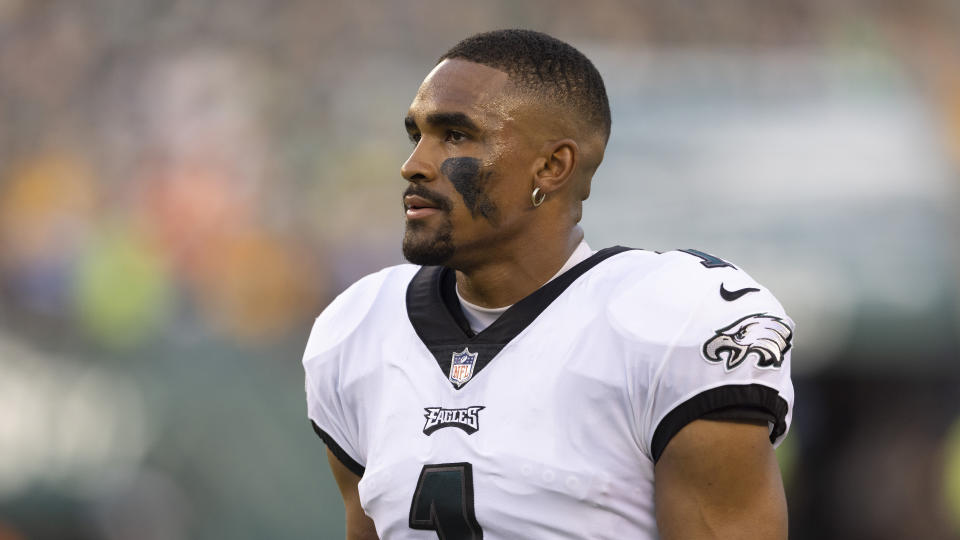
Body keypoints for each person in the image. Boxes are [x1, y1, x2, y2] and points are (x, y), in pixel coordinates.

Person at [302, 29, 794, 540]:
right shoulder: (358, 328)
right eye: (416, 135)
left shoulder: (670, 322)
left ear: (552, 166)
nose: (414, 165)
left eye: (455, 135)